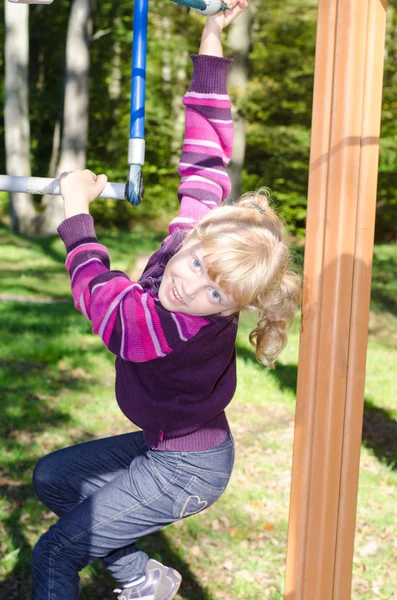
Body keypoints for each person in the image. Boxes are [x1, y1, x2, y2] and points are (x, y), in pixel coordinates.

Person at [31, 1, 301, 598]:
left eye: (213, 292)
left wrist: (77, 212)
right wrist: (210, 37)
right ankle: (144, 577)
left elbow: (107, 302)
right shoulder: (192, 239)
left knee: (53, 556)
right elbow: (206, 149)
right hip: (164, 445)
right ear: (195, 236)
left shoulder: (176, 328)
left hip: (187, 469)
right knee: (53, 478)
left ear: (229, 310)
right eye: (197, 263)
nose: (188, 284)